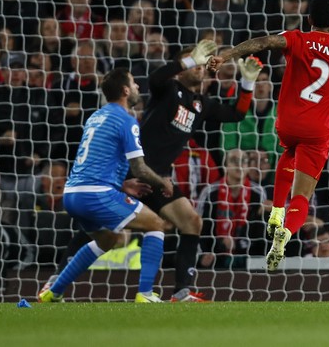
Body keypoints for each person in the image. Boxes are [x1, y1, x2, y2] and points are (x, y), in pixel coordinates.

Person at [42, 40, 261, 302]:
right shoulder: (167, 89)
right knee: (97, 229)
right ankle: (57, 278)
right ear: (182, 68)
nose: (201, 67)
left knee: (192, 221)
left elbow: (236, 115)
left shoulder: (203, 104)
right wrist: (188, 59)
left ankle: (182, 291)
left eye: (203, 63)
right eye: (196, 62)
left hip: (158, 178)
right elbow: (157, 77)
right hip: (132, 172)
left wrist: (247, 84)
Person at [207, 0, 329, 271]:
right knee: (302, 196)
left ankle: (276, 210)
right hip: (317, 131)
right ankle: (285, 231)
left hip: (287, 122)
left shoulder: (297, 38)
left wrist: (224, 56)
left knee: (288, 151)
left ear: (309, 20)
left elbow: (261, 42)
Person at [38, 68, 172, 303]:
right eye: (134, 82)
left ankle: (54, 291)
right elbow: (140, 168)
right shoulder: (126, 120)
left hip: (72, 194)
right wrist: (163, 182)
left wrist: (121, 184)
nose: (139, 87)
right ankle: (145, 293)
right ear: (125, 90)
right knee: (156, 224)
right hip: (96, 194)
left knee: (107, 240)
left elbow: (96, 161)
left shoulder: (96, 117)